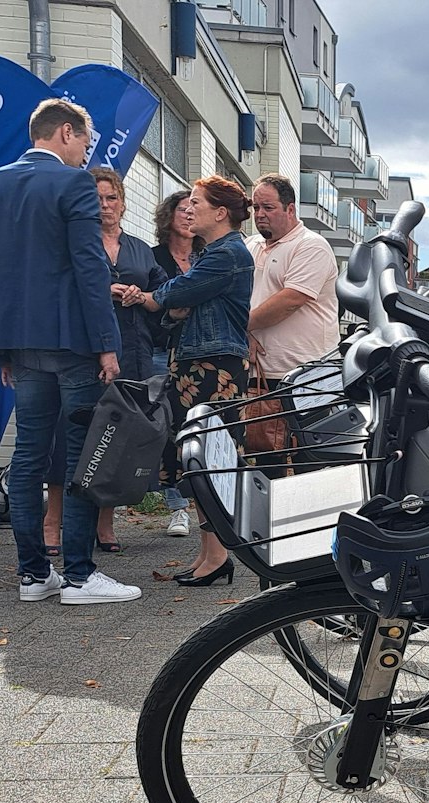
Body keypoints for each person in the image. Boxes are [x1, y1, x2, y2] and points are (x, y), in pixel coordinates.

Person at [0, 98, 140, 605]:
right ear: (65, 132)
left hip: (19, 343)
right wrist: (108, 344)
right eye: (85, 143)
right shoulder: (72, 185)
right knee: (82, 455)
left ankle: (33, 575)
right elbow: (91, 270)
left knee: (28, 458)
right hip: (75, 343)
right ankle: (81, 577)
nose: (87, 154)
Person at [122, 176, 253, 587]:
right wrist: (171, 306)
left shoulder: (228, 254)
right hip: (197, 363)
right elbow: (177, 305)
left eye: (197, 202)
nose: (188, 209)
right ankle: (210, 553)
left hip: (213, 368)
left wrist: (153, 299)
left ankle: (217, 554)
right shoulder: (212, 252)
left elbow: (173, 294)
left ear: (220, 213)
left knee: (208, 458)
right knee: (194, 458)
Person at [40, 167, 164, 556]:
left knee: (116, 438)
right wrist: (100, 291)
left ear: (124, 204)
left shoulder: (141, 249)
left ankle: (104, 523)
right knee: (70, 436)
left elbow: (162, 292)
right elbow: (55, 291)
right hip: (82, 351)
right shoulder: (73, 243)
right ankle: (53, 522)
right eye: (96, 198)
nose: (105, 205)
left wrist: (139, 294)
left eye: (111, 198)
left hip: (133, 350)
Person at [246, 173, 339, 382]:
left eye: (268, 208)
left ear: (290, 209)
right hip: (258, 373)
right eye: (256, 207)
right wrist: (243, 333)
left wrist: (238, 326)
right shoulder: (249, 245)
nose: (259, 214)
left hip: (307, 376)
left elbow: (290, 301)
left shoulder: (312, 245)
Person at [150, 189, 200, 538]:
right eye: (182, 209)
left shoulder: (208, 257)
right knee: (165, 428)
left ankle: (203, 502)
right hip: (158, 349)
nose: (188, 215)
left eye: (194, 210)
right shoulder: (152, 258)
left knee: (195, 428)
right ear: (168, 216)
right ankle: (176, 506)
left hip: (199, 353)